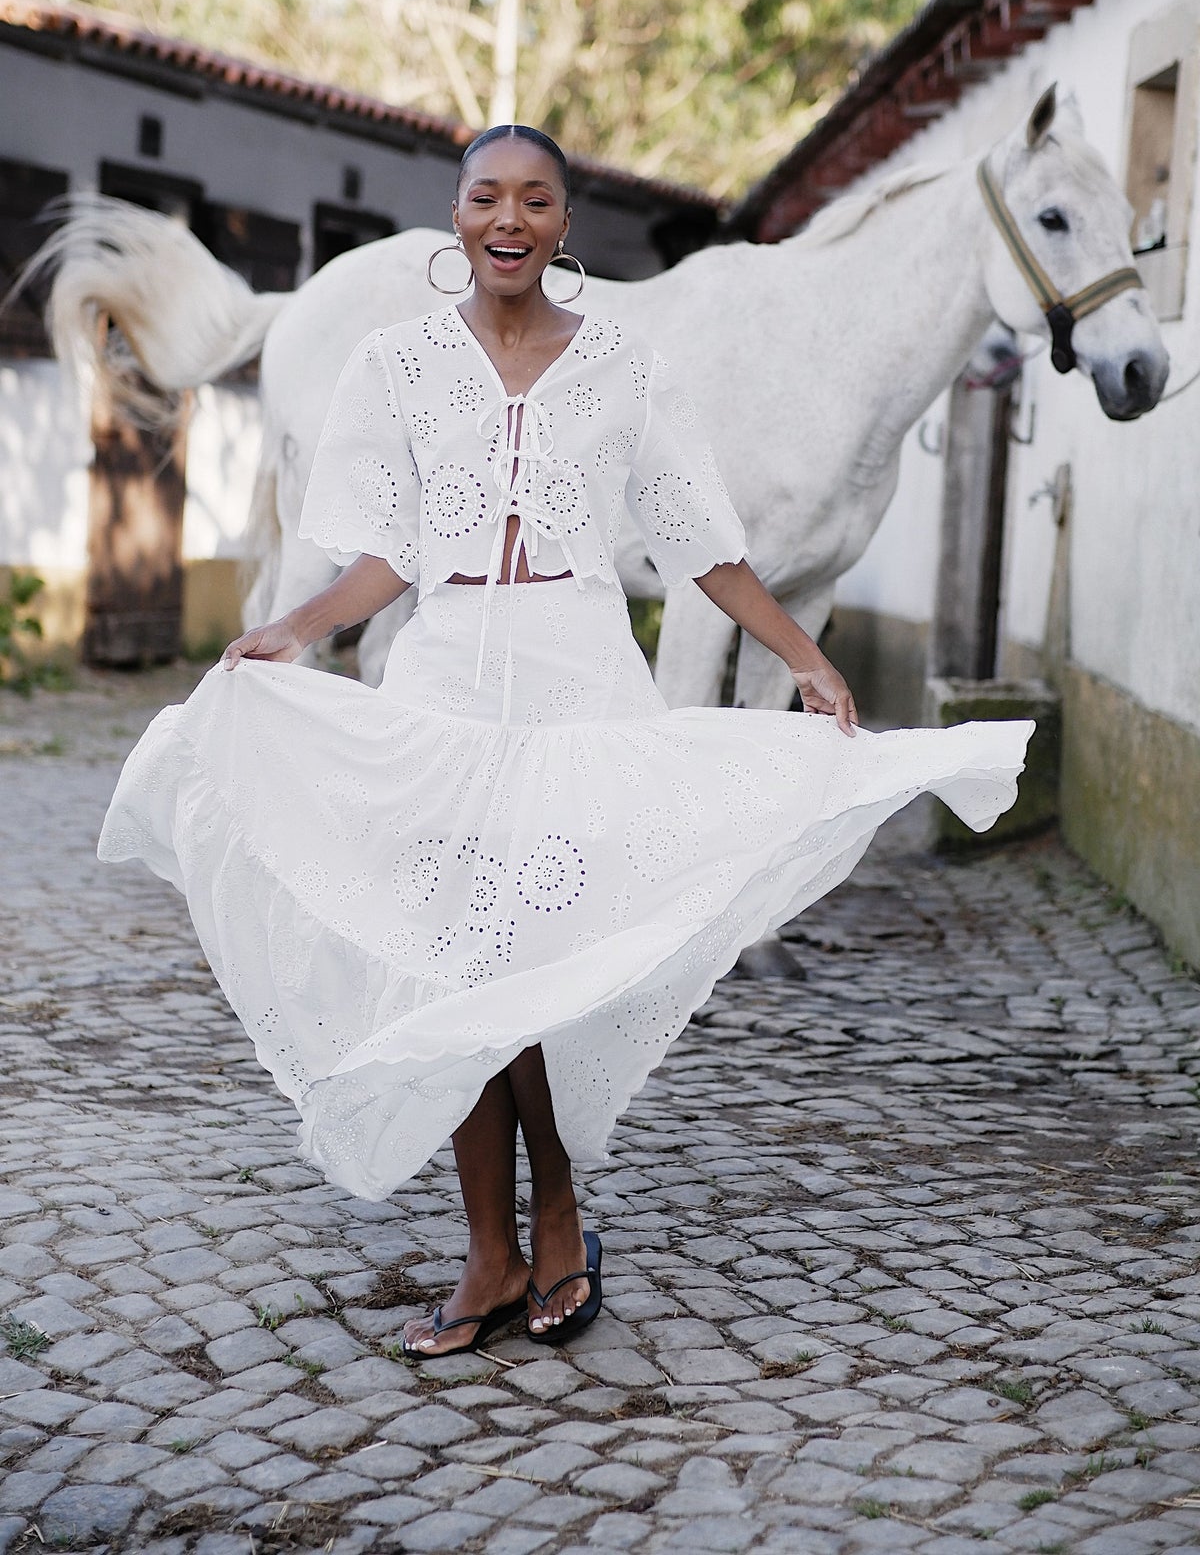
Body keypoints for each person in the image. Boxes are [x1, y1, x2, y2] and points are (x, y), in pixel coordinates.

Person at [99, 124, 1033, 1358]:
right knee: (451, 966)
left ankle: (557, 1218)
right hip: (444, 690)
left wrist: (803, 656)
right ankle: (490, 1252)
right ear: (456, 213)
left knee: (536, 968)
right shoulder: (397, 365)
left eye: (535, 200)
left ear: (562, 226)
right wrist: (295, 628)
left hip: (582, 685)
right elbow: (387, 557)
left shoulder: (627, 368)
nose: (508, 218)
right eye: (486, 195)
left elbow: (703, 542)